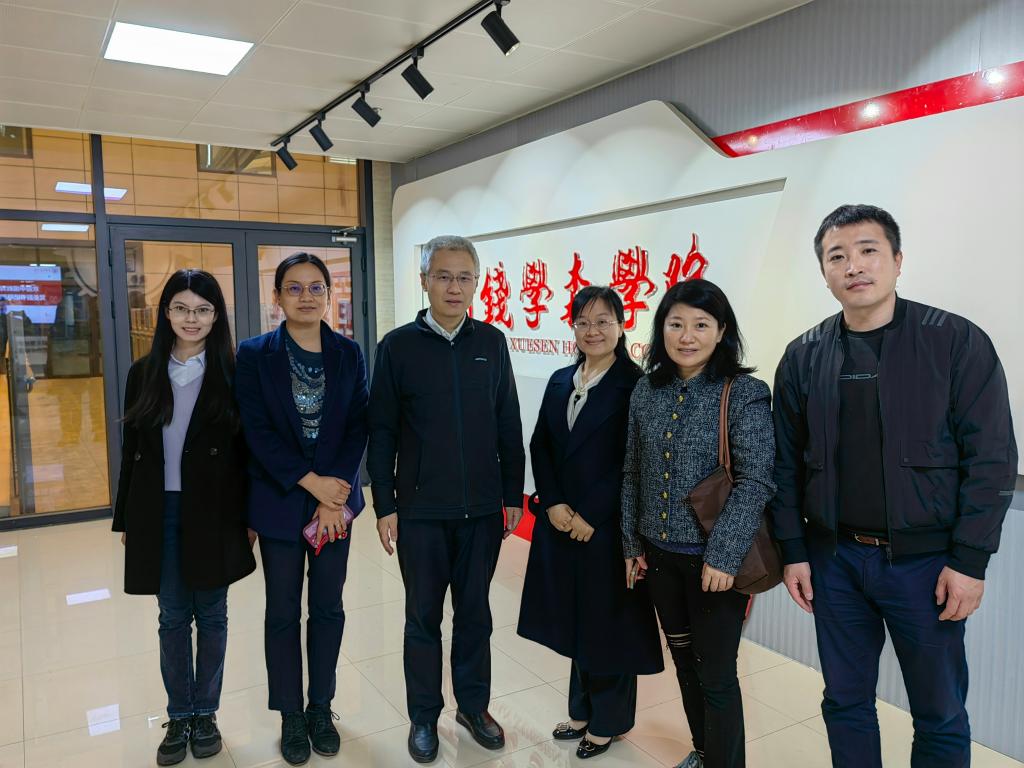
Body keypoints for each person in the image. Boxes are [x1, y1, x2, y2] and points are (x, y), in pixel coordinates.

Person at [770, 204, 1018, 768]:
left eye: (868, 251)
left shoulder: (955, 341)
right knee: (845, 700)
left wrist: (970, 560)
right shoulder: (804, 355)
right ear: (824, 272)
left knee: (939, 711)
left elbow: (992, 459)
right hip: (834, 561)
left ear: (898, 260)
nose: (854, 266)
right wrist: (793, 551)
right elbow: (784, 464)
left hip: (926, 566)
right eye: (837, 256)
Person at [367, 235, 525, 764]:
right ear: (424, 281)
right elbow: (381, 432)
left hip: (481, 510)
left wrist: (511, 494)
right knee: (422, 619)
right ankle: (423, 716)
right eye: (443, 276)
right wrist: (385, 505)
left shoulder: (492, 343)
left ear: (476, 283)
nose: (454, 287)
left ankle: (473, 707)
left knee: (475, 615)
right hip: (419, 513)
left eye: (464, 277)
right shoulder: (397, 347)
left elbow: (508, 422)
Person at [622, 279, 776, 768]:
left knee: (717, 675)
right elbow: (632, 470)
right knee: (684, 663)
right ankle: (705, 751)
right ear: (661, 329)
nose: (687, 336)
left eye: (701, 325)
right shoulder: (646, 389)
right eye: (676, 324)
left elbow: (756, 480)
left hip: (714, 566)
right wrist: (631, 543)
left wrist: (724, 556)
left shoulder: (744, 392)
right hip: (659, 558)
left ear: (722, 331)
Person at [112, 269, 256, 766]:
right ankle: (179, 714)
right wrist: (125, 519)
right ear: (166, 313)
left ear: (216, 316)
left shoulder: (234, 374)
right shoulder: (144, 372)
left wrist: (249, 517)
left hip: (216, 513)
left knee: (212, 615)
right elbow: (131, 451)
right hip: (159, 511)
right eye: (181, 308)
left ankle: (206, 713)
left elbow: (247, 456)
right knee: (172, 616)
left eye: (202, 310)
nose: (191, 319)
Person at [517, 286, 663, 760]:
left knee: (608, 625)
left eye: (603, 321)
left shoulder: (637, 384)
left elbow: (633, 460)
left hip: (608, 527)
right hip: (561, 522)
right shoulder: (562, 378)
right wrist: (553, 503)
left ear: (622, 325)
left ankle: (609, 722)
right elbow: (541, 443)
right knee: (574, 618)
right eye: (583, 322)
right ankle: (581, 711)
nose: (592, 330)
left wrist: (591, 514)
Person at [235, 252, 369, 766]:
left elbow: (358, 426)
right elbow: (256, 432)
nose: (306, 297)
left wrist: (333, 496)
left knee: (329, 607)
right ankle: (290, 713)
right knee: (282, 610)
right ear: (277, 297)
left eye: (316, 287)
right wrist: (312, 483)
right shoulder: (254, 354)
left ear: (329, 295)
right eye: (294, 288)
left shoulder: (348, 353)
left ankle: (320, 707)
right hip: (279, 501)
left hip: (334, 508)